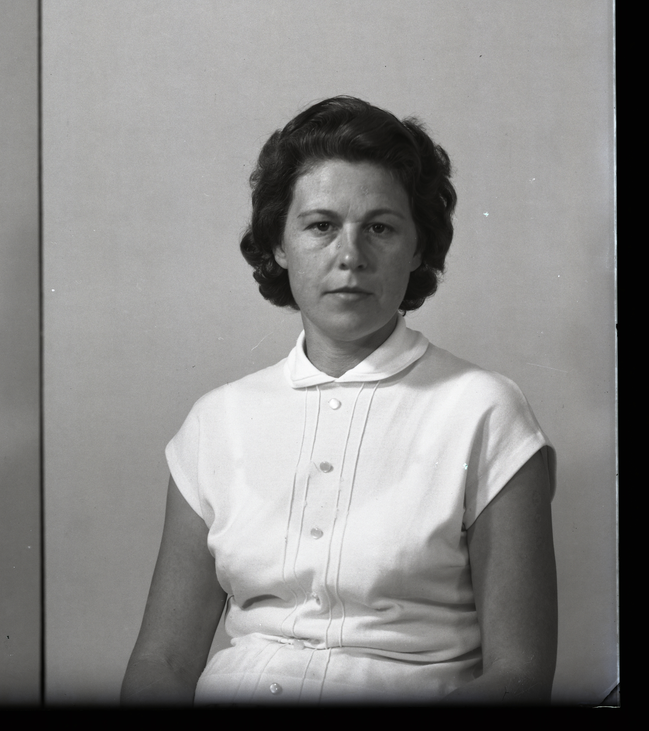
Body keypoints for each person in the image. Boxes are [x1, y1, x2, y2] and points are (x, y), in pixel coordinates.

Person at [121, 96, 556, 705]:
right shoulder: (217, 420)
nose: (350, 256)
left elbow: (519, 677)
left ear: (419, 248)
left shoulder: (484, 410)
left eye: (380, 227)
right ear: (279, 244)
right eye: (321, 225)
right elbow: (162, 662)